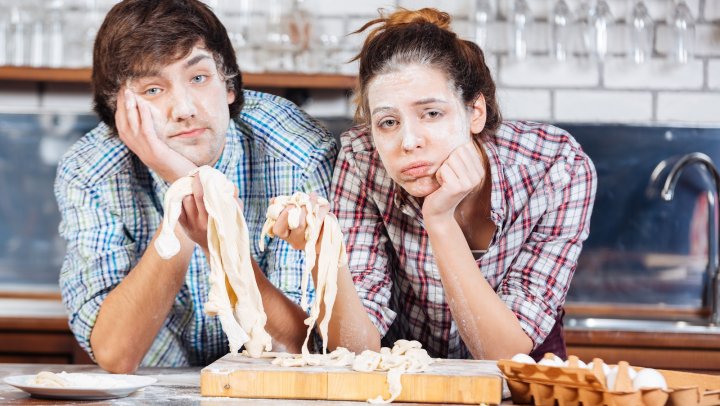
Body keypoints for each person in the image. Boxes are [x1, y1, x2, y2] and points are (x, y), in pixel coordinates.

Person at [275, 8, 596, 361]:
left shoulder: (556, 167)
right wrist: (324, 250)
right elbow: (353, 349)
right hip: (407, 382)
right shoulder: (362, 160)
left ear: (475, 112)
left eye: (431, 113)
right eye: (388, 122)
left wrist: (440, 220)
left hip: (524, 383)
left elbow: (504, 356)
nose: (408, 141)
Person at [54, 0, 336, 373]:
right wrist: (182, 189)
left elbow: (307, 346)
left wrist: (219, 241)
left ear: (229, 85)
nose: (184, 108)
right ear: (119, 114)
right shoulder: (88, 172)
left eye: (199, 78)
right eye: (153, 90)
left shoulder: (299, 152)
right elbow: (116, 353)